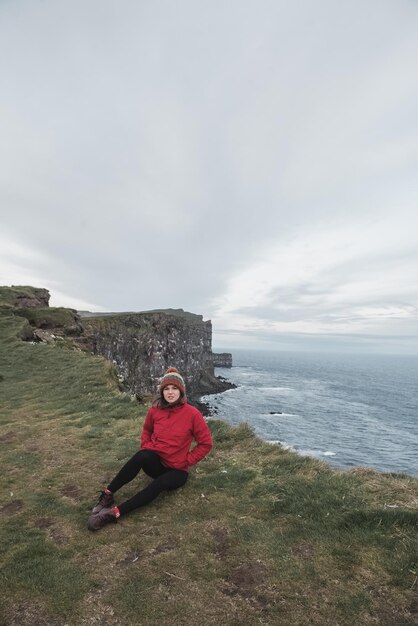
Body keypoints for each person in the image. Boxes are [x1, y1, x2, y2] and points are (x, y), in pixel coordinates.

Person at [88, 367, 213, 531]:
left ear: (181, 391)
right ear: (162, 392)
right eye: (166, 389)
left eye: (174, 388)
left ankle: (114, 513)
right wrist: (147, 446)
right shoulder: (155, 410)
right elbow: (147, 430)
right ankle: (108, 494)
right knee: (142, 455)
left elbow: (206, 443)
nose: (170, 392)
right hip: (158, 465)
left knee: (159, 484)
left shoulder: (193, 414)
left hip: (177, 471)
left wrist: (187, 460)